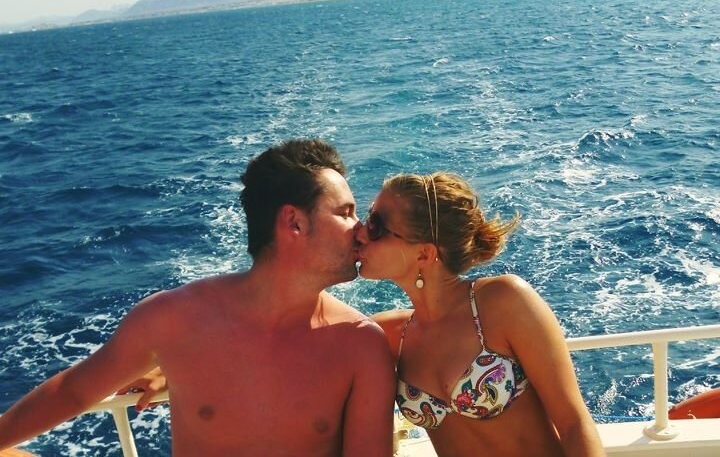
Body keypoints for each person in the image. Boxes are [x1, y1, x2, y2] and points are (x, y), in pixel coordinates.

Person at [0, 139, 396, 457]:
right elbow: (73, 391)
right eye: (346, 213)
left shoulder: (360, 346)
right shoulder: (172, 319)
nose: (361, 229)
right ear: (294, 222)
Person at [356, 172, 605, 456]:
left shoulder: (503, 302)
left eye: (376, 225)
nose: (361, 233)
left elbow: (574, 423)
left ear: (424, 254)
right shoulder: (388, 335)